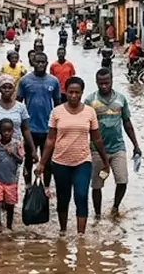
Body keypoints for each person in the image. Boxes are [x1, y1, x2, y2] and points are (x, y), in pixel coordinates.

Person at [37, 77, 110, 235]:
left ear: (82, 93)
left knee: (81, 195)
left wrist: (105, 161)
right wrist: (42, 163)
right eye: (71, 92)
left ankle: (80, 235)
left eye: (77, 92)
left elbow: (97, 139)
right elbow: (50, 140)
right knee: (63, 198)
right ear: (65, 92)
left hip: (82, 161)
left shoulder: (90, 112)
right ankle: (63, 232)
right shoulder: (56, 112)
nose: (74, 96)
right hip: (60, 162)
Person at [85, 68, 141, 218]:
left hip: (118, 148)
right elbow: (85, 126)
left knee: (122, 180)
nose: (104, 86)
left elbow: (127, 123)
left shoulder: (121, 99)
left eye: (107, 83)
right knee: (97, 185)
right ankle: (97, 215)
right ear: (96, 82)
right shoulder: (90, 101)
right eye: (101, 83)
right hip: (97, 149)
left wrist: (136, 145)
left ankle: (115, 208)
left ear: (112, 81)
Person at [18, 52, 62, 187]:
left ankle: (46, 188)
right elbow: (18, 105)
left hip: (48, 129)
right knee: (28, 159)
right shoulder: (24, 81)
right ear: (33, 63)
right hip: (29, 129)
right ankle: (28, 187)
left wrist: (59, 126)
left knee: (48, 161)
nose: (40, 64)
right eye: (38, 62)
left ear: (47, 63)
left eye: (43, 62)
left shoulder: (53, 81)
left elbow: (58, 105)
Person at [0, 75, 38, 175]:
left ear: (14, 89)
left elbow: (25, 129)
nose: (7, 90)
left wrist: (33, 150)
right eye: (4, 87)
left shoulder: (21, 107)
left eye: (10, 87)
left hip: (15, 149)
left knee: (13, 176)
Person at [0, 118, 24, 231]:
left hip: (11, 180)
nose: (6, 133)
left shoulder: (17, 144)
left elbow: (20, 160)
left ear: (13, 131)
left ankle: (9, 226)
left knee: (10, 204)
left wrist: (12, 153)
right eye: (4, 131)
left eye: (9, 131)